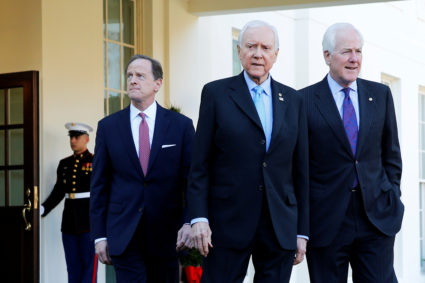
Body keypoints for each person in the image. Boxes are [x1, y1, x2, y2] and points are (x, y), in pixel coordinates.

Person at [187, 20, 309, 283]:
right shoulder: (216, 94)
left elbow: (301, 172)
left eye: (266, 47)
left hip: (279, 226)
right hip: (226, 224)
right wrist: (198, 217)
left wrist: (302, 232)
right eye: (251, 46)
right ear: (239, 50)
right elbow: (199, 165)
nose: (258, 54)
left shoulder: (294, 101)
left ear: (276, 54)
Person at [299, 23, 403, 283]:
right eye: (346, 51)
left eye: (358, 51)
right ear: (327, 56)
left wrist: (392, 196)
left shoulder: (380, 95)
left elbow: (391, 155)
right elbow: (298, 166)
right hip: (326, 222)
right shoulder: (303, 101)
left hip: (376, 218)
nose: (354, 58)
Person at [90, 54, 195, 283]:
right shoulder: (108, 127)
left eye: (140, 76)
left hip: (168, 236)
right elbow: (99, 186)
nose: (133, 81)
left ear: (158, 83)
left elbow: (192, 182)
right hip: (124, 234)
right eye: (129, 75)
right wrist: (99, 236)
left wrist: (189, 222)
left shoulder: (181, 126)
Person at [41, 122, 97, 283]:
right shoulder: (64, 164)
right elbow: (59, 191)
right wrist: (44, 208)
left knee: (89, 266)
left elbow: (101, 193)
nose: (73, 140)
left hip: (88, 222)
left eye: (77, 137)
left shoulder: (96, 161)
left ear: (86, 139)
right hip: (69, 222)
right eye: (71, 137)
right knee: (72, 266)